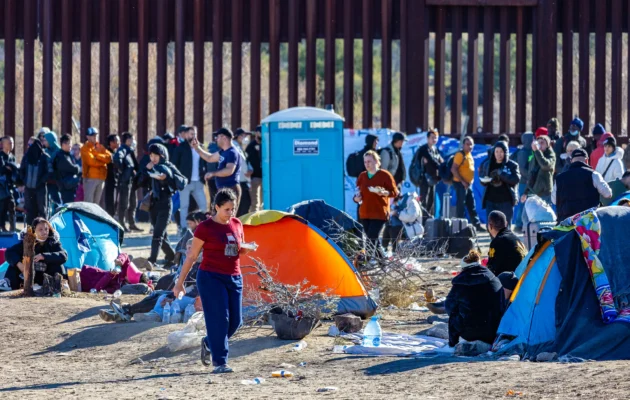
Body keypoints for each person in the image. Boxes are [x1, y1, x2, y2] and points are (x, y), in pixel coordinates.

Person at [173, 189, 254, 374]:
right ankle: (220, 362)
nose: (231, 213)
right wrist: (179, 283)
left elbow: (238, 249)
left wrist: (246, 250)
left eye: (233, 209)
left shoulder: (237, 223)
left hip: (234, 276)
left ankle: (209, 343)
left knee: (236, 321)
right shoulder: (205, 228)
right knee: (220, 320)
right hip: (211, 277)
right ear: (216, 207)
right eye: (227, 209)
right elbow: (191, 256)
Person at [137, 143, 188, 269]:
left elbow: (182, 181)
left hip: (166, 203)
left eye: (156, 155)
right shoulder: (150, 166)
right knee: (162, 234)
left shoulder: (168, 166)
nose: (153, 158)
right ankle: (172, 256)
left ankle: (152, 260)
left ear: (162, 155)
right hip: (153, 204)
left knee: (157, 234)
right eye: (151, 155)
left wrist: (167, 177)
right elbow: (140, 181)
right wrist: (147, 171)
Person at [445, 250, 505, 348]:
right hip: (493, 331)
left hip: (468, 332)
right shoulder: (494, 280)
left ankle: (453, 344)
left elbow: (449, 307)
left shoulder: (459, 284)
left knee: (454, 314)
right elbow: (502, 304)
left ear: (463, 268)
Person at [353, 150, 399, 258]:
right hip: (365, 213)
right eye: (365, 162)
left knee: (371, 238)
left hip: (379, 213)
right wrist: (356, 198)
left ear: (376, 161)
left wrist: (384, 192)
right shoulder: (362, 176)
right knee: (374, 240)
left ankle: (367, 261)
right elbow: (357, 193)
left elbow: (395, 192)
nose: (367, 164)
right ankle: (383, 263)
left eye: (369, 161)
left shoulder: (385, 175)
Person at [2, 217, 68, 291]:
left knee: (58, 264)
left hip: (46, 276)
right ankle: (8, 283)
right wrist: (19, 264)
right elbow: (9, 253)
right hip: (27, 277)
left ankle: (57, 286)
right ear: (34, 231)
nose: (44, 232)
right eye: (40, 229)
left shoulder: (53, 242)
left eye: (46, 229)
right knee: (13, 263)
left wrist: (44, 256)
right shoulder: (27, 242)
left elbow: (63, 255)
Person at [552, 148, 612, 222]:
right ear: (587, 160)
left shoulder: (559, 178)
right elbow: (608, 194)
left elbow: (554, 201)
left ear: (571, 161)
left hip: (566, 223)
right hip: (589, 224)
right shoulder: (594, 174)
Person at [192, 128, 242, 209]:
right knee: (219, 217)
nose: (216, 140)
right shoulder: (223, 151)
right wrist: (197, 148)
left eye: (217, 137)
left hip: (230, 188)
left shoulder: (232, 152)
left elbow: (229, 170)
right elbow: (210, 158)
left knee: (227, 217)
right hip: (222, 189)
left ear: (224, 138)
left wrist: (213, 173)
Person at [172, 126, 208, 232]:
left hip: (198, 182)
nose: (193, 136)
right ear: (186, 135)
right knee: (184, 206)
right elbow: (174, 165)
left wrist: (204, 175)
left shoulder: (200, 147)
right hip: (185, 182)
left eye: (195, 134)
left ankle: (203, 227)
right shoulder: (180, 148)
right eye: (191, 134)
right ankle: (184, 228)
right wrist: (178, 180)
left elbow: (205, 161)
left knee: (203, 205)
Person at [479, 141, 520, 227]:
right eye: (496, 151)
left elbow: (516, 179)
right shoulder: (487, 164)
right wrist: (484, 181)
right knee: (491, 227)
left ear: (506, 152)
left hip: (506, 201)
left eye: (501, 151)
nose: (499, 154)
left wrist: (501, 174)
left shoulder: (512, 165)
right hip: (491, 201)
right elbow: (482, 180)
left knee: (505, 227)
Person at [451, 136, 484, 231]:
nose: (469, 146)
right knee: (461, 205)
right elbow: (453, 169)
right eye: (467, 144)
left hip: (468, 184)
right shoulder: (460, 155)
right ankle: (460, 226)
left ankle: (476, 225)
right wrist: (462, 181)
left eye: (471, 144)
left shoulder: (469, 155)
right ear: (463, 145)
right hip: (460, 184)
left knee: (471, 204)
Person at [114, 132, 142, 232]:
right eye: (131, 139)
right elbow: (117, 159)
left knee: (133, 203)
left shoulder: (130, 151)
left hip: (132, 181)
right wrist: (123, 171)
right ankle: (122, 223)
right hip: (125, 182)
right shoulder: (122, 150)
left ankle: (132, 223)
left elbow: (134, 165)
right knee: (124, 204)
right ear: (127, 140)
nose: (133, 141)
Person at [486, 211, 527, 276]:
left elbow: (490, 270)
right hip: (524, 277)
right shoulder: (516, 238)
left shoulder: (497, 242)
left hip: (512, 281)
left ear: (490, 226)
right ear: (506, 224)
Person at [20, 138, 50, 225]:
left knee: (42, 210)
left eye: (31, 145)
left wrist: (41, 181)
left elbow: (49, 172)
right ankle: (30, 232)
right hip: (29, 189)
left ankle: (43, 231)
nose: (29, 147)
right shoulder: (26, 157)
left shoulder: (44, 157)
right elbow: (22, 170)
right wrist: (25, 181)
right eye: (28, 145)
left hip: (40, 188)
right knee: (30, 211)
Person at [413, 129, 442, 215]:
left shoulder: (435, 149)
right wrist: (441, 166)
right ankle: (422, 218)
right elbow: (432, 161)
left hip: (432, 178)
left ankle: (429, 218)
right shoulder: (423, 149)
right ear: (427, 138)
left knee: (431, 200)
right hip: (424, 178)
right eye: (432, 137)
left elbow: (440, 160)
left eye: (436, 138)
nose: (434, 140)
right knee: (423, 199)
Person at [521, 134, 555, 206]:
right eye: (538, 143)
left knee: (542, 216)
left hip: (544, 194)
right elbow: (531, 175)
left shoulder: (551, 156)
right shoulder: (535, 156)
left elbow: (545, 165)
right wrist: (525, 192)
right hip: (533, 193)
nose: (539, 145)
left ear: (547, 145)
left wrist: (537, 151)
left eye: (542, 143)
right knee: (525, 217)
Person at [81, 127, 112, 204]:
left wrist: (97, 156)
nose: (95, 137)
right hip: (90, 178)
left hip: (101, 178)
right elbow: (91, 162)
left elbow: (109, 157)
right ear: (87, 137)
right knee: (89, 203)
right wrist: (103, 161)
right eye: (92, 135)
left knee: (96, 204)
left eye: (96, 135)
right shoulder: (85, 148)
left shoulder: (100, 147)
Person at [513, 132, 534, 234]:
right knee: (523, 204)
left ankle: (524, 223)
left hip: (529, 181)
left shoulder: (531, 151)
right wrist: (530, 177)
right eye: (532, 139)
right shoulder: (523, 152)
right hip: (523, 182)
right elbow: (521, 168)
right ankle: (518, 224)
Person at [54, 134, 82, 204]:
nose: (70, 146)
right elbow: (71, 168)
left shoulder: (67, 154)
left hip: (70, 186)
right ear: (63, 144)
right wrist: (79, 168)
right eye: (69, 143)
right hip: (65, 187)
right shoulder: (61, 156)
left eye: (70, 143)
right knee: (68, 205)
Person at [41, 131, 63, 208]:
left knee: (56, 201)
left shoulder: (59, 151)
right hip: (46, 180)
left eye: (45, 140)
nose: (44, 142)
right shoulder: (45, 151)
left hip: (56, 181)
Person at [0, 137, 17, 232]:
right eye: (9, 143)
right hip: (1, 187)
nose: (11, 144)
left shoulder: (12, 156)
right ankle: (2, 227)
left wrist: (9, 167)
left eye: (12, 142)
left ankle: (13, 229)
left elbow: (14, 170)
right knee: (2, 208)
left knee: (12, 206)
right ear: (3, 144)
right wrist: (7, 168)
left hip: (10, 186)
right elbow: (2, 170)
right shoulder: (0, 156)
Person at [234, 128, 252, 216]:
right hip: (240, 179)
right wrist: (247, 171)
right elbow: (242, 162)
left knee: (245, 203)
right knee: (244, 203)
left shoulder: (240, 147)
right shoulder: (235, 146)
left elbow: (246, 160)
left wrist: (250, 169)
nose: (244, 138)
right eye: (242, 135)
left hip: (243, 179)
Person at [246, 125, 263, 213]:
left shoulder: (266, 143)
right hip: (254, 176)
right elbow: (246, 160)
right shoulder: (251, 146)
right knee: (255, 202)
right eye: (259, 132)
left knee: (264, 201)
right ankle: (254, 220)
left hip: (266, 176)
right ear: (256, 133)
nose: (261, 133)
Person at [103, 134, 121, 217]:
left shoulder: (116, 152)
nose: (118, 143)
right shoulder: (107, 153)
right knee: (110, 202)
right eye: (117, 141)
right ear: (111, 143)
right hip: (109, 181)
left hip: (115, 181)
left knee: (115, 201)